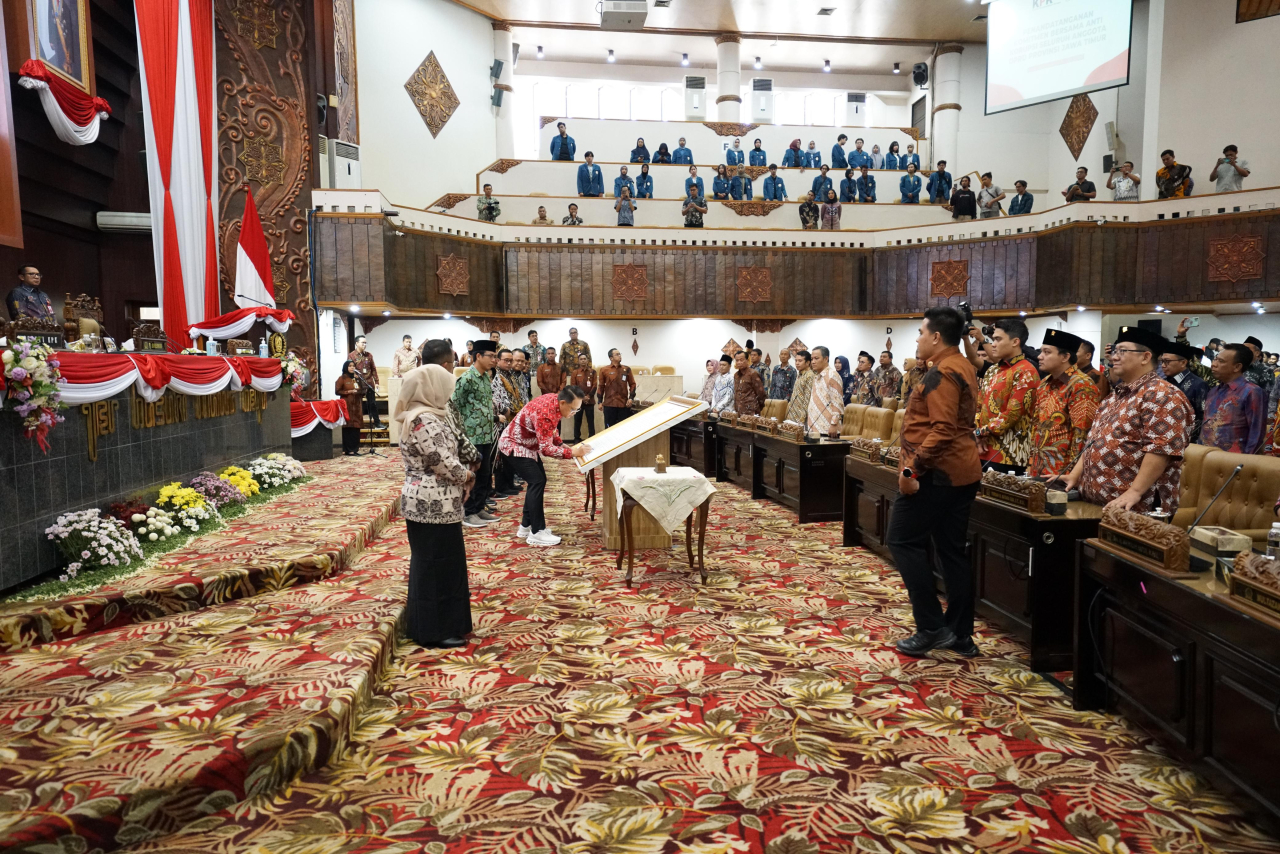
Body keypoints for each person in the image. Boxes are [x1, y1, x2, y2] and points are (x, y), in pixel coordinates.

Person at [887, 306, 983, 657]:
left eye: (920, 333)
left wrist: (912, 471)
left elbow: (942, 429)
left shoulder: (944, 371)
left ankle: (931, 627)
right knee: (951, 552)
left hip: (936, 475)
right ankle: (959, 633)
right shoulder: (963, 365)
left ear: (936, 337)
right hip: (961, 472)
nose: (918, 339)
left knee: (901, 540)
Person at [1060, 326, 1193, 512]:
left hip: (1138, 507)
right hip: (1097, 503)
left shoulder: (1162, 394)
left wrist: (1135, 491)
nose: (1114, 357)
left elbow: (1161, 449)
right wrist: (1075, 475)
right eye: (1115, 351)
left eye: (1122, 351)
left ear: (1145, 357)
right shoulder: (1116, 395)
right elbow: (1094, 440)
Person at [393, 364, 475, 649]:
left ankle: (442, 624)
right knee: (433, 566)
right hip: (430, 504)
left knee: (444, 564)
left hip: (441, 504)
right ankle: (432, 630)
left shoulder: (430, 415)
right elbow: (441, 460)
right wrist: (467, 475)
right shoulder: (422, 419)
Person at [498, 386, 592, 546]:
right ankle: (537, 532)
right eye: (573, 410)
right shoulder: (546, 413)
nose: (573, 414)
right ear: (563, 402)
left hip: (526, 445)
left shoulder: (554, 401)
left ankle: (526, 526)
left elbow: (551, 431)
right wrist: (572, 453)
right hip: (514, 445)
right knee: (537, 481)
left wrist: (562, 445)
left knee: (538, 481)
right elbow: (546, 449)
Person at [1026, 330, 1101, 478]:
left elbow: (1083, 435)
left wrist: (1071, 474)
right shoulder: (1044, 384)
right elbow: (1036, 427)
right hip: (1038, 468)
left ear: (1065, 356)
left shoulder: (1081, 385)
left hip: (1062, 473)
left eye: (1047, 352)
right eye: (1041, 352)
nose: (1040, 357)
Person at [974, 318, 1038, 474]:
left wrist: (979, 432)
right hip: (982, 447)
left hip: (1010, 453)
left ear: (1015, 341)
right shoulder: (992, 370)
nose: (993, 344)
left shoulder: (1026, 371)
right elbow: (979, 406)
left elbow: (1012, 414)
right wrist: (977, 431)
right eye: (992, 339)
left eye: (997, 339)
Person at [452, 340, 500, 528]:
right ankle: (468, 512)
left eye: (495, 356)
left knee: (485, 474)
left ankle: (479, 508)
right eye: (491, 356)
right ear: (478, 356)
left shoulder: (485, 377)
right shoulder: (467, 379)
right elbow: (454, 406)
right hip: (471, 436)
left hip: (486, 434)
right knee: (472, 474)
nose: (494, 360)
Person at [1201, 344, 1267, 454]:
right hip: (1206, 457)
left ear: (1237, 367)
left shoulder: (1252, 391)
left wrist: (1246, 462)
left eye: (1220, 361)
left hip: (1233, 460)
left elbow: (1257, 433)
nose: (1213, 364)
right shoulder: (1213, 391)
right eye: (1215, 359)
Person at [1160, 341, 1209, 444]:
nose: (1163, 366)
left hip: (1186, 441)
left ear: (1183, 362)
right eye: (1162, 361)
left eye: (1167, 361)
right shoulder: (1162, 382)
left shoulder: (1198, 384)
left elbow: (1203, 418)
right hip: (1162, 437)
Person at [808, 346, 845, 436]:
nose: (813, 362)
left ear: (826, 359)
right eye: (812, 359)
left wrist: (834, 424)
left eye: (816, 358)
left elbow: (837, 402)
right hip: (814, 426)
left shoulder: (832, 375)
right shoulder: (817, 376)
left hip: (827, 428)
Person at [347, 335, 382, 428]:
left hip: (369, 383)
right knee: (358, 405)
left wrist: (377, 382)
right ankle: (358, 424)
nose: (364, 344)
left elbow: (373, 369)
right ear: (356, 343)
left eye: (365, 343)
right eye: (362, 342)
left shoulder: (369, 355)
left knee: (372, 404)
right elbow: (350, 370)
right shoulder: (351, 356)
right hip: (358, 384)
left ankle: (377, 423)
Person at [597, 348, 636, 427]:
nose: (619, 356)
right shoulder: (604, 370)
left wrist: (631, 398)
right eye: (617, 354)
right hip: (609, 404)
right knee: (609, 429)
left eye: (620, 354)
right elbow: (601, 386)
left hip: (623, 404)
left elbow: (632, 384)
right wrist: (600, 401)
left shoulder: (626, 369)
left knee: (622, 429)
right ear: (611, 358)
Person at [335, 360, 364, 455]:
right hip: (346, 405)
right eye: (350, 366)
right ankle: (347, 449)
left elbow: (363, 390)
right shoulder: (342, 378)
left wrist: (359, 381)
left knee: (356, 427)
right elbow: (337, 391)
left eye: (353, 366)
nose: (352, 368)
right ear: (346, 367)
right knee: (348, 426)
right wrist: (349, 392)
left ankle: (354, 449)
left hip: (357, 406)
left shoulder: (357, 378)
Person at [569, 352, 598, 442]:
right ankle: (576, 438)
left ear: (587, 360)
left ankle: (592, 438)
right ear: (578, 361)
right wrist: (582, 397)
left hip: (590, 400)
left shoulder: (593, 372)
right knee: (577, 421)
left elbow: (595, 385)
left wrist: (588, 396)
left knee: (590, 421)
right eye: (581, 359)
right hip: (578, 401)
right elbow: (573, 387)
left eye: (584, 359)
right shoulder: (575, 372)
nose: (583, 361)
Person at [785, 350, 814, 424]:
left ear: (808, 362)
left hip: (801, 415)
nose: (797, 363)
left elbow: (807, 398)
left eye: (800, 361)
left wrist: (802, 417)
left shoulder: (810, 375)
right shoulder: (799, 374)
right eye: (796, 361)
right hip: (792, 412)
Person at [733, 350, 765, 416]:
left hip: (750, 412)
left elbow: (761, 393)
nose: (739, 362)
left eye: (741, 360)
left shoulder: (753, 374)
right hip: (738, 411)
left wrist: (757, 407)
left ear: (747, 360)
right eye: (737, 360)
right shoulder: (736, 375)